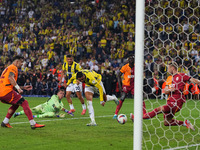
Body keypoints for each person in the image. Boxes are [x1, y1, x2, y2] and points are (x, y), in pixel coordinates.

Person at [131, 62, 198, 130]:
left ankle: (136, 118)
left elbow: (194, 80)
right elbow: (165, 91)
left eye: (168, 68)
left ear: (173, 68)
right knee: (167, 123)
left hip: (177, 102)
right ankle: (185, 123)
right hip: (169, 101)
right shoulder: (169, 78)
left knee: (159, 109)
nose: (167, 70)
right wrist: (170, 90)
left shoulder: (182, 75)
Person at [0, 56, 45, 129]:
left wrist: (23, 87)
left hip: (2, 92)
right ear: (17, 62)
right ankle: (33, 123)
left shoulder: (8, 68)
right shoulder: (13, 67)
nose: (22, 64)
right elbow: (10, 78)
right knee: (24, 102)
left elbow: (10, 83)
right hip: (6, 91)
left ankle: (5, 122)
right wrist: (18, 89)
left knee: (16, 104)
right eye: (21, 62)